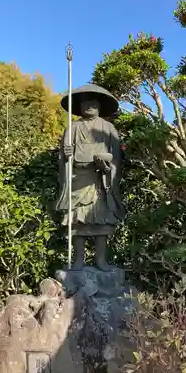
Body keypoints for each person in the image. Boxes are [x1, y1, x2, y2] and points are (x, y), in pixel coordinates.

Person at [56, 84, 125, 271]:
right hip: (79, 178)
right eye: (85, 103)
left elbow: (116, 156)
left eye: (93, 103)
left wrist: (108, 166)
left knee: (101, 222)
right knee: (78, 223)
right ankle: (79, 259)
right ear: (80, 106)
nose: (89, 106)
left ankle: (101, 260)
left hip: (100, 180)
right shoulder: (73, 127)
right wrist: (66, 153)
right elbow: (64, 157)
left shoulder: (108, 128)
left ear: (100, 106)